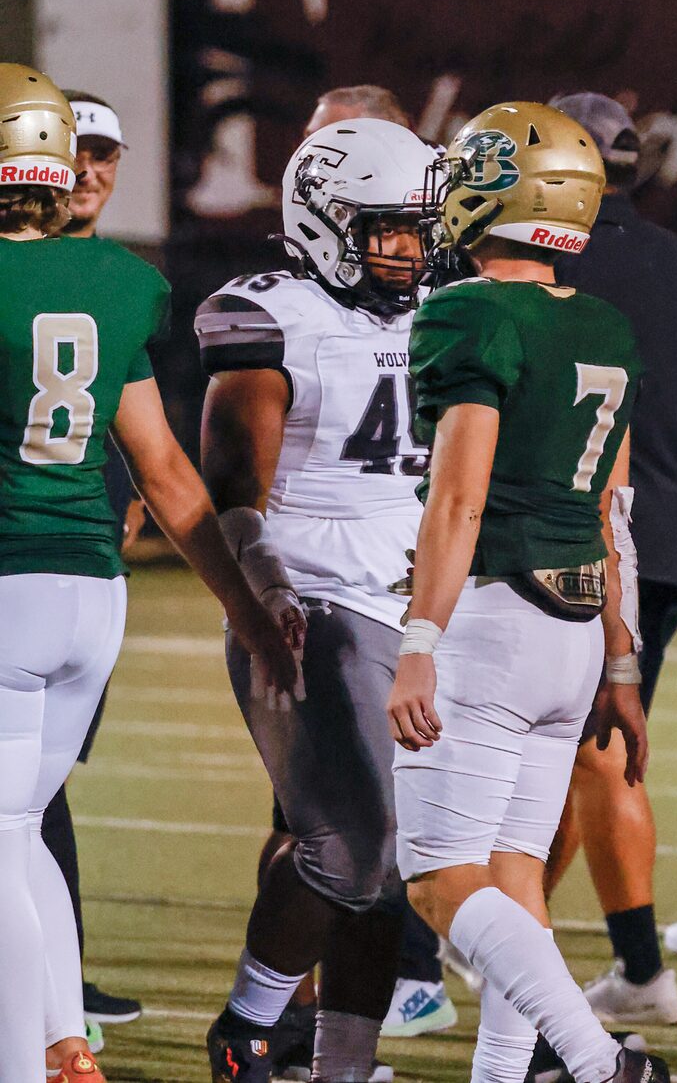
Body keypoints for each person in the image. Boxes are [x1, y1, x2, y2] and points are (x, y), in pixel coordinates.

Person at [0, 63, 296, 1083]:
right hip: (93, 595)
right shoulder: (122, 282)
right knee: (18, 830)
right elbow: (166, 474)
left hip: (5, 587)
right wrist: (246, 610)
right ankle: (61, 1038)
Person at [388, 101, 666, 1083]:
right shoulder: (603, 323)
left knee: (441, 883)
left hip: (493, 624)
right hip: (578, 630)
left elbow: (457, 499)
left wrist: (420, 636)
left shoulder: (466, 312)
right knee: (514, 879)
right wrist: (622, 660)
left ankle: (598, 1065)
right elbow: (613, 512)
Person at [199, 116, 443, 1083]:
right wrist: (265, 594)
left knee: (387, 873)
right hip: (312, 602)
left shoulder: (443, 309)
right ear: (323, 219)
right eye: (385, 228)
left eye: (419, 229)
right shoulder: (270, 315)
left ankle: (341, 1063)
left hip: (412, 606)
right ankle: (249, 1030)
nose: (407, 249)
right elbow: (231, 496)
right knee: (348, 848)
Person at [543, 92, 677, 1026]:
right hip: (669, 541)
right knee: (584, 747)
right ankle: (504, 933)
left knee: (563, 752)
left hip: (548, 535)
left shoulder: (533, 262)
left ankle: (633, 963)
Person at [36, 94, 147, 1046]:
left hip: (63, 561)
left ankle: (53, 990)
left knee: (38, 794)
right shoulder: (116, 281)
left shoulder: (113, 281)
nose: (90, 169)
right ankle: (51, 999)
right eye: (74, 151)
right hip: (63, 571)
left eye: (104, 152)